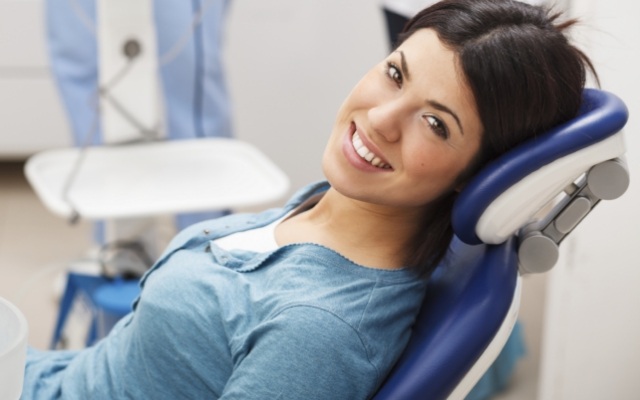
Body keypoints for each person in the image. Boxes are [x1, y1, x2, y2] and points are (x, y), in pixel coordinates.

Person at [22, 0, 596, 398]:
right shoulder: (338, 205)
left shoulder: (318, 334)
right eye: (396, 74)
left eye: (435, 123)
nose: (380, 119)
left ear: (477, 171)